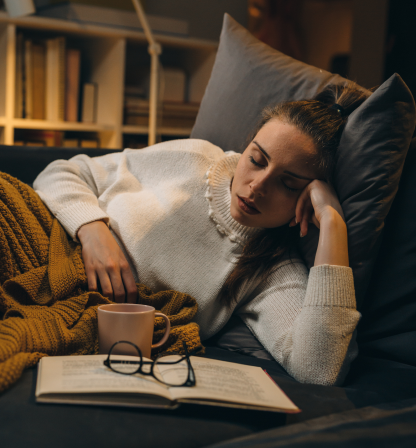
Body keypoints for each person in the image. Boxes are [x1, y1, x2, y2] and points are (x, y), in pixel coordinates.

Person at [33, 83, 367, 386]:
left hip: (73, 304)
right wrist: (91, 228)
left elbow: (320, 369)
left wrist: (333, 224)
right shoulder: (195, 158)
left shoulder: (272, 269)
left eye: (288, 184)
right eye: (256, 159)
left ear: (306, 199)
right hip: (43, 237)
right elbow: (63, 171)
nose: (257, 186)